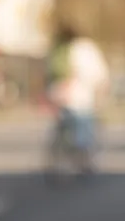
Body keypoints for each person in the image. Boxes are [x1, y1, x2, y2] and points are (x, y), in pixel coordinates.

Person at [46, 26, 109, 174]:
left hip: (59, 93)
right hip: (81, 97)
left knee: (64, 124)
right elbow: (99, 74)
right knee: (84, 129)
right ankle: (83, 158)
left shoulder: (61, 49)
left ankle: (62, 153)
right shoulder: (86, 49)